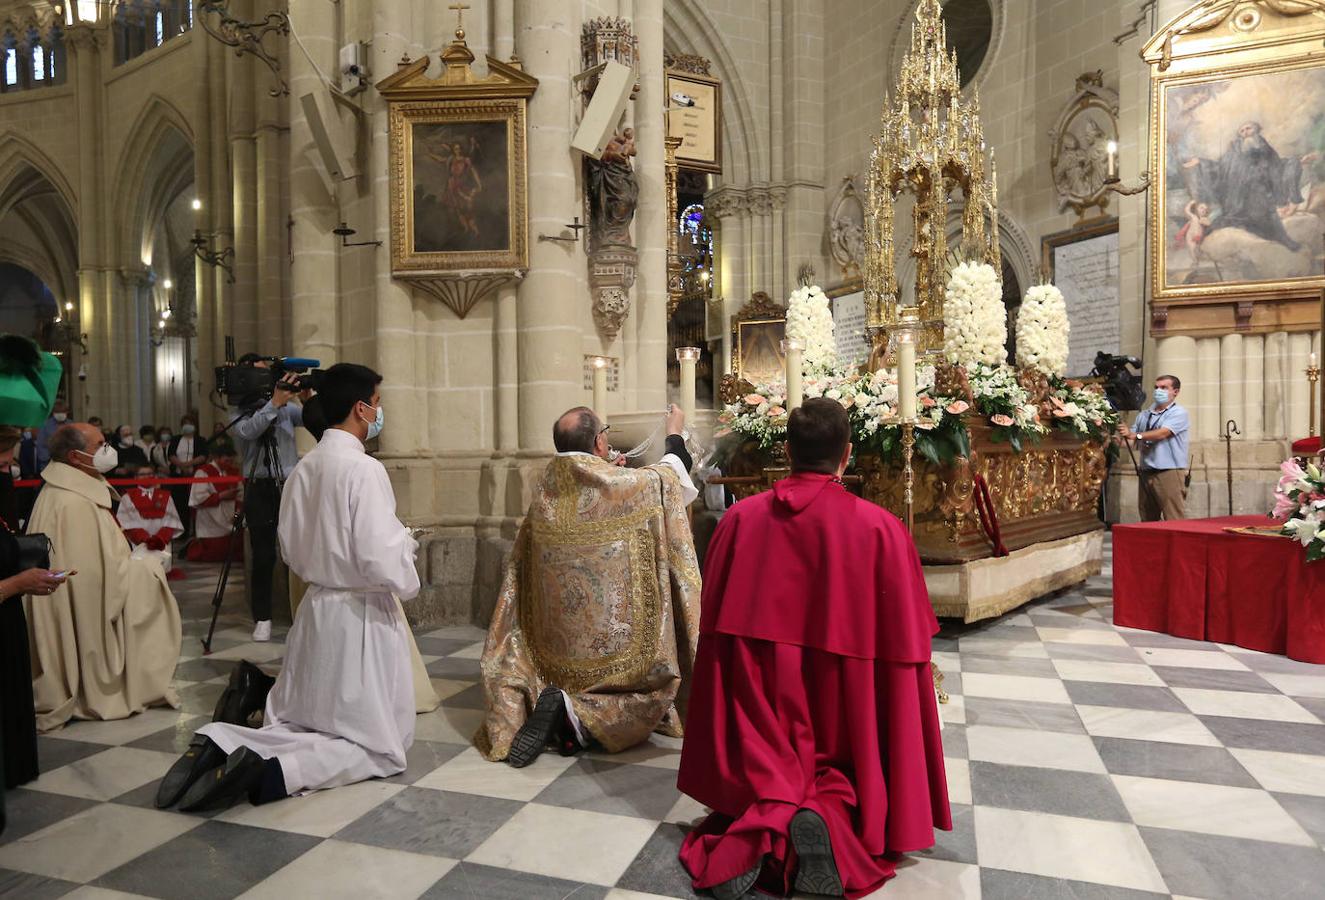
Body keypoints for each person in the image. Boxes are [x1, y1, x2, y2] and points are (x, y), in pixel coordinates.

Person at [676, 398, 951, 899]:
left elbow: (714, 642)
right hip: (843, 706)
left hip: (764, 709)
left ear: (786, 451)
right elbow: (903, 661)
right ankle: (821, 812)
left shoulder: (738, 523)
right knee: (841, 771)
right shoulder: (882, 530)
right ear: (847, 455)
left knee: (772, 766)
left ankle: (773, 812)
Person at [157, 363, 419, 812]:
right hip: (360, 615)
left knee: (307, 721)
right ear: (360, 408)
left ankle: (222, 740)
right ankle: (272, 770)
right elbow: (379, 555)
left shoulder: (305, 467)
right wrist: (406, 553)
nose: (379, 412)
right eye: (376, 403)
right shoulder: (364, 469)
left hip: (317, 609)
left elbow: (290, 548)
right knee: (379, 745)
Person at [475, 405, 701, 768]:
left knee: (542, 668)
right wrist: (675, 434)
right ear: (598, 442)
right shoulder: (621, 485)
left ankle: (555, 700)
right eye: (606, 433)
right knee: (651, 690)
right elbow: (667, 478)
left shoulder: (546, 489)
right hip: (612, 652)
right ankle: (575, 716)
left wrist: (612, 470)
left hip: (554, 651)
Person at [25, 423, 182, 732]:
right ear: (74, 456)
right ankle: (95, 683)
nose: (108, 450)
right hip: (87, 612)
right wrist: (145, 567)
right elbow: (93, 585)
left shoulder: (68, 489)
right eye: (99, 445)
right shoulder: (72, 502)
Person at [232, 355, 307, 642]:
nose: (267, 381)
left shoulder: (288, 407)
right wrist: (273, 404)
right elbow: (249, 431)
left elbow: (311, 420)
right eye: (260, 375)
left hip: (288, 484)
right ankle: (262, 618)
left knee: (296, 551)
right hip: (259, 485)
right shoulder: (241, 409)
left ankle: (300, 612)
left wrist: (308, 394)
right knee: (263, 554)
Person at [1120, 375, 1190, 522]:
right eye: (1156, 388)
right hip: (1146, 471)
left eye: (1164, 388)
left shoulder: (1178, 413)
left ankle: (1178, 545)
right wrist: (1115, 438)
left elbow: (1163, 433)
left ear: (1175, 392)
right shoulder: (1144, 415)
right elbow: (1130, 442)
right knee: (1147, 516)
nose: (1159, 391)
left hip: (1169, 471)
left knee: (1174, 516)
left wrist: (1135, 436)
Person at [186, 437, 241, 563]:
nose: (229, 464)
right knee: (215, 553)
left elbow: (241, 496)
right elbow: (198, 498)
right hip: (210, 520)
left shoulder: (232, 471)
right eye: (226, 460)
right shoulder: (203, 472)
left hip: (231, 517)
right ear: (216, 458)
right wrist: (221, 496)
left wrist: (237, 513)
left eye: (231, 461)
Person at [116, 463, 184, 553]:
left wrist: (160, 538)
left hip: (162, 543)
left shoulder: (165, 496)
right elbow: (126, 523)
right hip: (139, 544)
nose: (146, 477)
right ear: (136, 477)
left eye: (149, 474)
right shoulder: (127, 497)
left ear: (154, 476)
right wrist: (145, 539)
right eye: (142, 474)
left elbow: (171, 521)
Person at [169, 414, 208, 542]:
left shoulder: (200, 440)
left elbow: (203, 455)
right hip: (178, 477)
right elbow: (171, 454)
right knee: (180, 505)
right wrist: (181, 465)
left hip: (195, 476)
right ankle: (182, 532)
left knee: (195, 504)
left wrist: (188, 464)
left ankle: (197, 532)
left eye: (190, 423)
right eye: (185, 423)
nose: (187, 425)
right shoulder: (175, 439)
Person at [33, 399, 69, 472]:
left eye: (63, 411)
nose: (60, 414)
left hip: (68, 463)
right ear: (53, 412)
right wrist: (53, 458)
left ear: (67, 412)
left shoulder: (72, 424)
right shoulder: (45, 425)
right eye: (58, 412)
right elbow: (40, 444)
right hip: (49, 463)